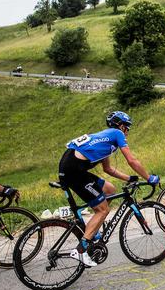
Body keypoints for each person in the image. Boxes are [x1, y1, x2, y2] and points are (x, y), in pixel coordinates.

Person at [58, 111, 159, 267]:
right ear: (120, 125)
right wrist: (148, 178)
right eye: (127, 127)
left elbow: (108, 169)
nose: (127, 131)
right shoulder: (117, 134)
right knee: (103, 210)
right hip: (74, 171)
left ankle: (93, 228)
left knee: (110, 189)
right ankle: (81, 249)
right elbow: (131, 160)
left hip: (71, 166)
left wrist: (129, 178)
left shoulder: (106, 138)